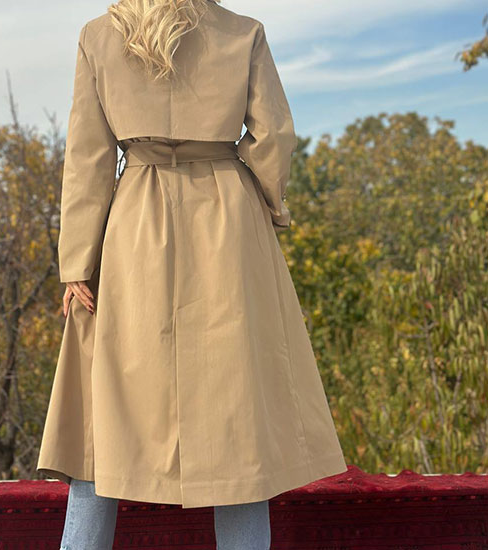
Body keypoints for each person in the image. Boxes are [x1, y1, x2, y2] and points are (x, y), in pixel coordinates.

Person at [36, 0, 348, 548]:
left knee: (101, 408)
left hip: (135, 218)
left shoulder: (99, 35)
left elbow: (87, 156)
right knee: (237, 408)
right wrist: (268, 204)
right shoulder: (242, 32)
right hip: (228, 217)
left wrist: (76, 261)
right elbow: (273, 136)